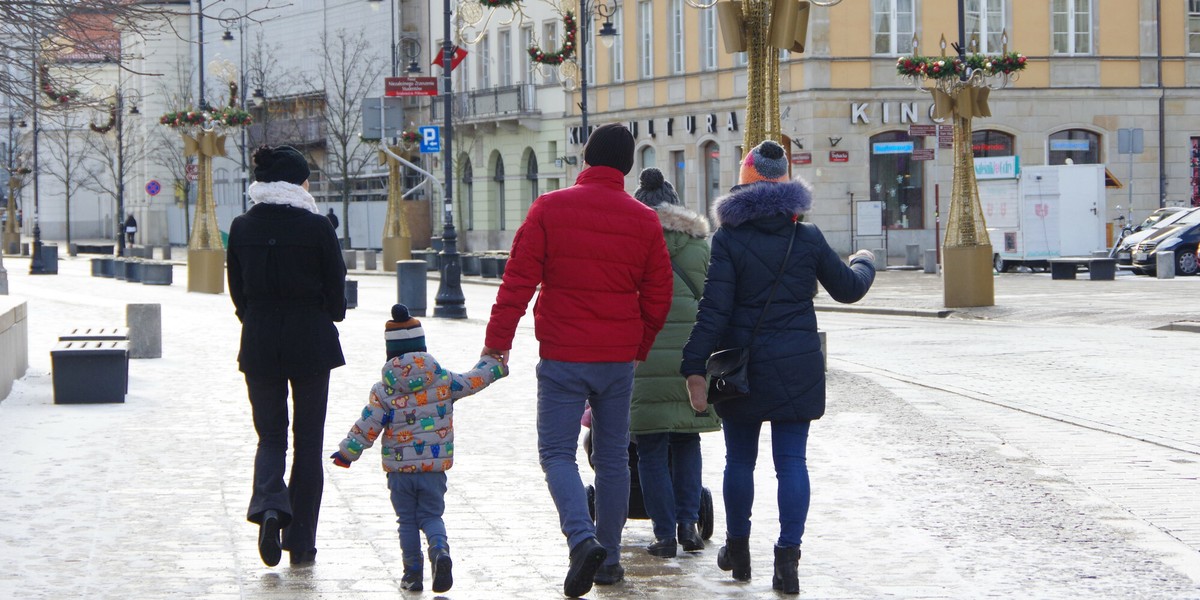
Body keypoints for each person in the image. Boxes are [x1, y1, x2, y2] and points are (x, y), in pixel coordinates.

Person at [481, 123, 674, 598]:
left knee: (556, 454)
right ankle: (607, 560)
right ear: (627, 167)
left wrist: (497, 343)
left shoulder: (550, 208)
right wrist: (638, 346)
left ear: (586, 158)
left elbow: (517, 282)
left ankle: (580, 537)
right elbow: (659, 295)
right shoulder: (644, 220)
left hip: (564, 355)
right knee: (611, 459)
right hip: (617, 360)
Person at [680, 140, 875, 594]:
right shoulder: (806, 237)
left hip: (742, 369)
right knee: (791, 463)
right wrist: (864, 263)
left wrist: (694, 365)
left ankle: (738, 549)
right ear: (787, 187)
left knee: (739, 462)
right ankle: (788, 560)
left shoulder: (727, 240)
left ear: (743, 185)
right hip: (797, 365)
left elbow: (714, 309)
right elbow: (848, 289)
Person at [330, 304, 508, 593]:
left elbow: (368, 425)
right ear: (421, 347)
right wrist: (494, 364)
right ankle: (439, 551)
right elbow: (474, 379)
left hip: (399, 472)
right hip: (433, 469)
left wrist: (347, 453)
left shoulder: (384, 390)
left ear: (390, 352)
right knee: (431, 516)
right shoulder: (442, 379)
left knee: (407, 521)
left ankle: (412, 574)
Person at [227, 144, 347, 568]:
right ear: (297, 182)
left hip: (259, 343)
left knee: (271, 436)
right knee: (308, 441)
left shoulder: (242, 226)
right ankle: (301, 540)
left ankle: (270, 509)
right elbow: (337, 292)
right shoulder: (316, 227)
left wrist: (257, 318)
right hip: (311, 342)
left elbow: (237, 292)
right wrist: (328, 313)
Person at [628, 167, 721, 559]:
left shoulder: (627, 241)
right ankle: (689, 526)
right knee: (687, 441)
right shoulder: (699, 246)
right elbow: (712, 301)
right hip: (690, 360)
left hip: (642, 357)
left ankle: (663, 535)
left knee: (649, 449)